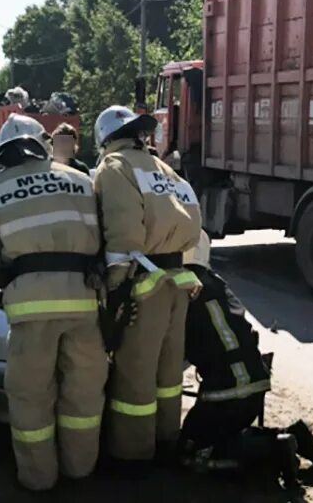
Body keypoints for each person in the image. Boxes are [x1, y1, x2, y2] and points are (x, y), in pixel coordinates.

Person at [0, 114, 108, 491]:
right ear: (43, 142)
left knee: (30, 398)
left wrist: (15, 283)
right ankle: (80, 471)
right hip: (85, 304)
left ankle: (38, 479)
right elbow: (107, 238)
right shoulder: (82, 180)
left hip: (29, 311)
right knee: (83, 393)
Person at [93, 105, 202, 470]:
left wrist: (116, 291)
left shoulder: (115, 168)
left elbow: (123, 236)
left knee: (135, 373)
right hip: (177, 281)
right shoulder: (166, 170)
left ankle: (133, 454)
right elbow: (194, 226)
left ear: (104, 139)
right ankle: (166, 438)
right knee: (168, 372)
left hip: (143, 284)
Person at [179, 231, 313, 492]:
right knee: (203, 435)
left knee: (191, 457)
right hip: (252, 384)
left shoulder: (183, 291)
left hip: (227, 393)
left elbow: (177, 357)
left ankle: (275, 447)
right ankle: (294, 434)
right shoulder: (216, 283)